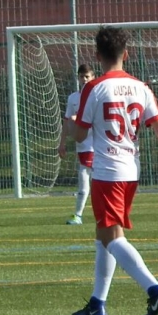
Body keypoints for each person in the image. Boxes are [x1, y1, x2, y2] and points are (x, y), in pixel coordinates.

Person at [70, 26, 158, 315]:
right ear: (126, 54)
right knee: (104, 234)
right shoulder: (141, 87)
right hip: (130, 171)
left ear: (97, 55)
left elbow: (79, 135)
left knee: (112, 238)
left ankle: (155, 290)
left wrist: (76, 119)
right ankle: (97, 303)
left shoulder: (94, 87)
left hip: (107, 172)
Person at [58, 64, 96, 225]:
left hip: (98, 145)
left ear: (93, 77)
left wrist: (78, 119)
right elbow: (67, 122)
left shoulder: (98, 95)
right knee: (84, 181)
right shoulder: (73, 98)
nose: (84, 80)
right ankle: (79, 215)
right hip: (82, 145)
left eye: (87, 76)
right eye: (82, 77)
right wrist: (62, 143)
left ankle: (81, 214)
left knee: (96, 182)